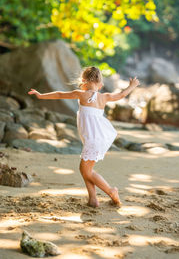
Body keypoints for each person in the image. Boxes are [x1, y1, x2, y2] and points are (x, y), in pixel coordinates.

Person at [28, 66, 140, 207]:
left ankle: (111, 191)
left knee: (86, 171)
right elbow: (121, 95)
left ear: (83, 81)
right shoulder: (104, 97)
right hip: (98, 137)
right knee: (85, 170)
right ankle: (93, 199)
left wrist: (41, 95)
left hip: (93, 139)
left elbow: (59, 94)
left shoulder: (81, 94)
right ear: (99, 82)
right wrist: (132, 86)